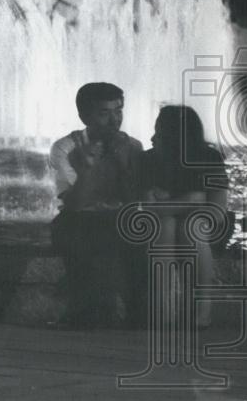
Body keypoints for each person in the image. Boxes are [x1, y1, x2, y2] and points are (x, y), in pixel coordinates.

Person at [49, 82, 146, 329]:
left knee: (139, 232)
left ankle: (138, 314)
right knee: (75, 232)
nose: (115, 121)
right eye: (104, 113)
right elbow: (76, 203)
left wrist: (124, 166)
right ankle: (87, 313)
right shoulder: (65, 148)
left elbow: (135, 199)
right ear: (84, 116)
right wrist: (89, 168)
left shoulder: (133, 146)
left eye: (119, 111)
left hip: (118, 217)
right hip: (78, 218)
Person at [140, 105, 229, 328]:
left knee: (192, 226)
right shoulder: (148, 159)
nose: (152, 137)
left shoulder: (207, 156)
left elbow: (206, 204)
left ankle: (201, 311)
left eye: (159, 132)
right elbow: (147, 203)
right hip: (165, 220)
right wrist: (183, 201)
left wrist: (171, 201)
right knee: (166, 225)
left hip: (211, 219)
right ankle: (163, 309)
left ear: (176, 137)